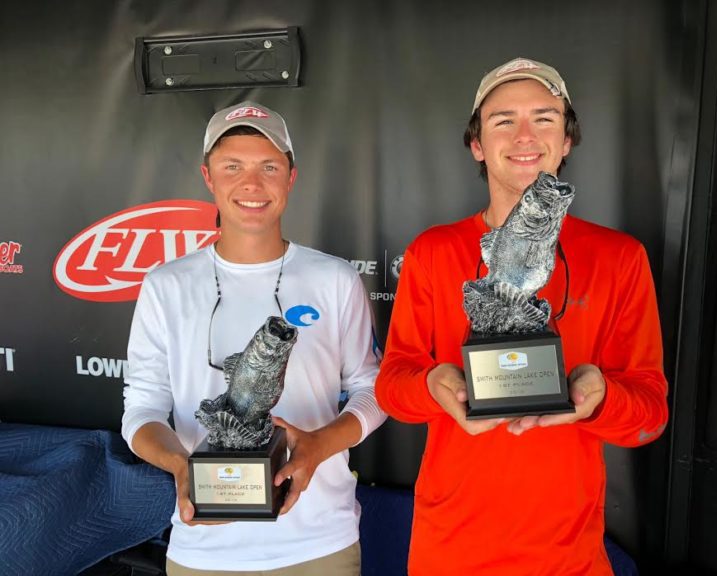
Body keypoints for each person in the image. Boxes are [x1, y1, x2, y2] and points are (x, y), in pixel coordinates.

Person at [375, 57, 668, 575]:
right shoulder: (434, 252)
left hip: (567, 554)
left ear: (567, 140)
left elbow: (648, 416)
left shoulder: (619, 257)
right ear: (477, 145)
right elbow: (393, 388)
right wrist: (433, 386)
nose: (525, 135)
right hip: (450, 549)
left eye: (545, 118)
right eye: (503, 120)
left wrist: (600, 398)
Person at [122, 101, 387, 575]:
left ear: (291, 177)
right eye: (233, 166)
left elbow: (374, 391)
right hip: (203, 548)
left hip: (319, 544)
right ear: (208, 176)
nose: (252, 184)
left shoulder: (336, 279)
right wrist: (182, 466)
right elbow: (140, 409)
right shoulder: (166, 284)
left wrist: (320, 445)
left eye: (269, 166)